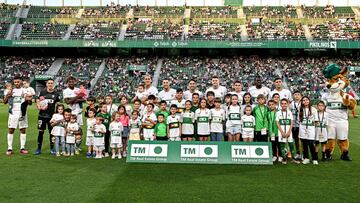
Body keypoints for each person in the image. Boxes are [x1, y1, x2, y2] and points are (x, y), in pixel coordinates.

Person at [4, 75, 29, 155]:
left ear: (21, 82)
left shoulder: (25, 90)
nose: (17, 83)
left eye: (18, 82)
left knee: (23, 130)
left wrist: (27, 98)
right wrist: (8, 95)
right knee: (11, 130)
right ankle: (9, 148)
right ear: (13, 82)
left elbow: (30, 103)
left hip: (23, 113)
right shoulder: (10, 90)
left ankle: (22, 147)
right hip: (13, 113)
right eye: (15, 82)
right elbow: (4, 102)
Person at [35, 78, 61, 155]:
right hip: (42, 116)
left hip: (51, 117)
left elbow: (58, 104)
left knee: (51, 133)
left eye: (51, 83)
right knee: (40, 132)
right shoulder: (42, 92)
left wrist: (57, 115)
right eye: (49, 83)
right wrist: (38, 106)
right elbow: (37, 100)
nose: (50, 84)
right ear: (46, 84)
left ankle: (52, 148)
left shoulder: (56, 94)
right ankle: (38, 149)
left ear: (53, 84)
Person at [63, 76, 84, 154]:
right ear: (67, 83)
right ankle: (69, 146)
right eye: (70, 81)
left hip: (79, 113)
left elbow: (84, 99)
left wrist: (73, 99)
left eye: (73, 81)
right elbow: (67, 102)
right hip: (71, 114)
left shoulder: (78, 90)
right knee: (70, 130)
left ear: (75, 82)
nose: (71, 83)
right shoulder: (65, 91)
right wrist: (77, 97)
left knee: (79, 130)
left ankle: (77, 147)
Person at [276, 99, 300, 164]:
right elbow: (277, 123)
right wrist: (282, 132)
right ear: (280, 105)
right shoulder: (278, 113)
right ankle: (284, 158)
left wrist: (289, 131)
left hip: (289, 131)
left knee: (291, 144)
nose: (284, 105)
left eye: (285, 103)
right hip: (281, 132)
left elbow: (291, 122)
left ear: (287, 104)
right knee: (282, 145)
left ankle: (293, 158)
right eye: (282, 103)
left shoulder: (289, 112)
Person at [298, 96, 319, 165]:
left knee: (311, 144)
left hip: (311, 129)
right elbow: (299, 120)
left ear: (309, 101)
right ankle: (306, 158)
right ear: (302, 102)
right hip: (302, 129)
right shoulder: (300, 109)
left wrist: (314, 129)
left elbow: (316, 121)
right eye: (303, 100)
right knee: (304, 144)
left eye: (306, 100)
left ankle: (314, 158)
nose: (305, 101)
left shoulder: (313, 109)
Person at [290, 90, 302, 159]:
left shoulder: (302, 104)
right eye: (295, 94)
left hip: (301, 125)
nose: (297, 96)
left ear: (301, 96)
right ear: (293, 96)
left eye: (298, 94)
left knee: (301, 139)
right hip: (293, 125)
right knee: (293, 139)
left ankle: (302, 153)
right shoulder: (291, 104)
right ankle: (295, 152)